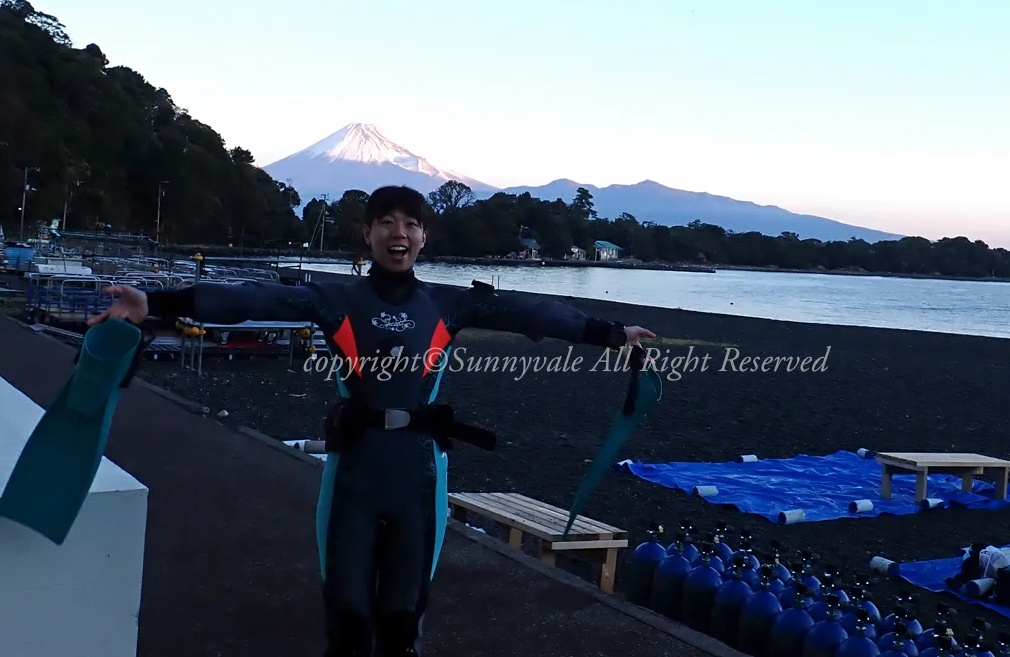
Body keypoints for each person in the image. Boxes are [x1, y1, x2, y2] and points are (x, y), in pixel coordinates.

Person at [89, 185, 654, 657]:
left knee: (402, 623)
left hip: (419, 476)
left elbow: (533, 313)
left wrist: (610, 333)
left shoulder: (448, 304)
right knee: (349, 622)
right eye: (386, 222)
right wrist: (156, 304)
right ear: (368, 234)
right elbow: (251, 298)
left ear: (424, 237)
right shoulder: (335, 299)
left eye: (411, 223)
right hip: (354, 472)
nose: (398, 232)